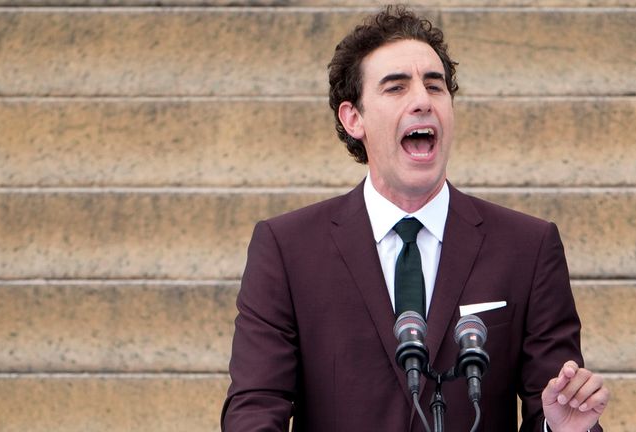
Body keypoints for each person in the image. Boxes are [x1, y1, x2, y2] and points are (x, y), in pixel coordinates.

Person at [221, 5, 609, 432]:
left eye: (434, 86)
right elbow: (254, 410)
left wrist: (564, 428)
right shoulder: (287, 248)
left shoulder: (528, 247)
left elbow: (552, 405)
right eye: (396, 88)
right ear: (353, 118)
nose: (422, 100)